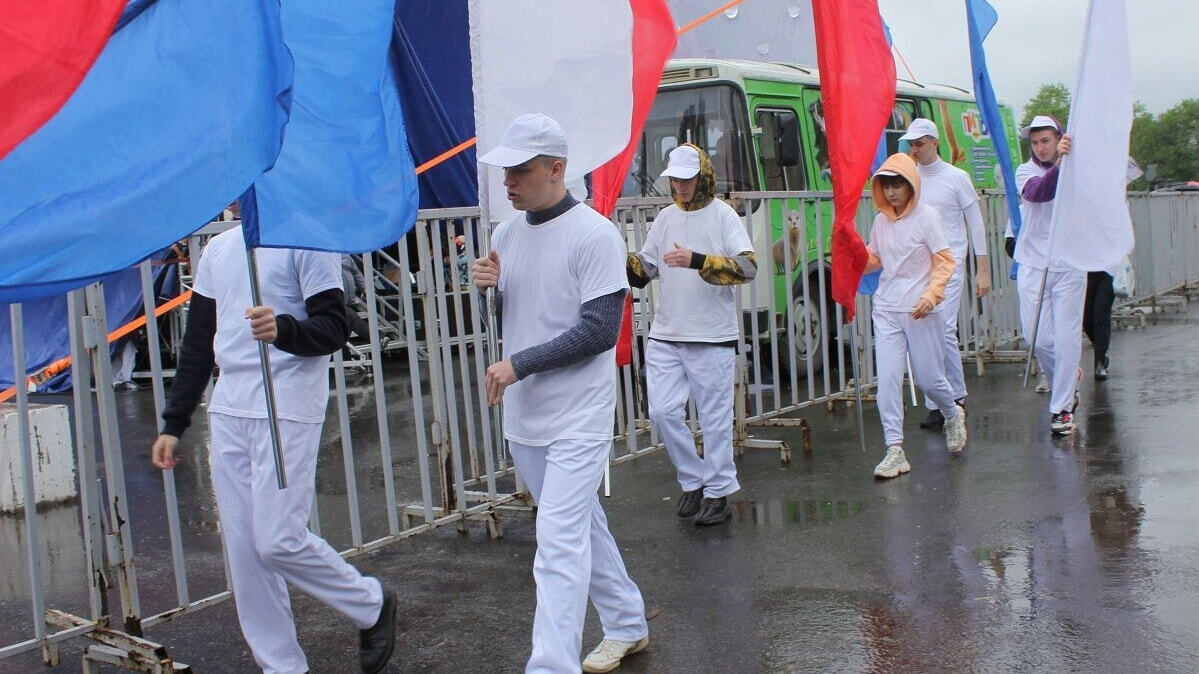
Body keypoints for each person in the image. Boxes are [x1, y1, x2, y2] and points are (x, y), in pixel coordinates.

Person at [150, 227, 396, 674]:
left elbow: (334, 329)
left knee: (277, 539)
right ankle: (281, 666)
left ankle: (371, 603)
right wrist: (175, 421)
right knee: (245, 553)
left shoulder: (310, 240)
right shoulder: (219, 249)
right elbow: (198, 342)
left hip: (286, 403)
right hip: (229, 408)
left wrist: (282, 329)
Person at [470, 113, 648, 674]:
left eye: (521, 171)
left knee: (558, 542)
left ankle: (550, 665)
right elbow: (516, 316)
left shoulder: (595, 234)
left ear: (558, 169)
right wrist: (486, 289)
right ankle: (626, 622)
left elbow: (599, 331)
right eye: (506, 171)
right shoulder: (506, 233)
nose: (509, 183)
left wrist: (519, 365)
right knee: (577, 526)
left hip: (578, 414)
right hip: (526, 414)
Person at [626, 143, 756, 525]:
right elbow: (645, 269)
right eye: (676, 180)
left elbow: (748, 268)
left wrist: (697, 260)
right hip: (666, 333)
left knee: (715, 420)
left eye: (687, 179)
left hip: (712, 335)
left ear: (703, 177)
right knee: (662, 412)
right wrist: (618, 256)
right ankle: (693, 479)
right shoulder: (665, 218)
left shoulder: (723, 216)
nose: (681, 186)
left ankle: (717, 492)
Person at [863, 153, 968, 479]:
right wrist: (849, 251)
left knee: (928, 379)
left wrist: (931, 296)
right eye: (887, 186)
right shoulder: (880, 221)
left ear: (912, 186)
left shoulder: (928, 217)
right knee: (888, 382)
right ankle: (894, 449)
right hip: (887, 310)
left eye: (898, 185)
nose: (892, 192)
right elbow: (874, 260)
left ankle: (952, 413)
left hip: (922, 311)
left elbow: (945, 262)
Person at [899, 119, 991, 430]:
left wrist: (982, 271)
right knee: (925, 330)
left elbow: (975, 224)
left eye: (920, 143)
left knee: (944, 328)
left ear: (935, 142)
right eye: (911, 144)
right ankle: (942, 400)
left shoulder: (957, 177)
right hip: (918, 267)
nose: (915, 149)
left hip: (949, 264)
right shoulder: (908, 178)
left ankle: (954, 397)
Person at [1010, 115, 1083, 435]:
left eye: (1046, 141)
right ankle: (1066, 380)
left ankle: (1063, 408)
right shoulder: (1025, 172)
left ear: (1059, 139)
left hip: (1070, 265)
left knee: (1067, 340)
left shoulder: (1078, 171)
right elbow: (1038, 193)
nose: (1040, 148)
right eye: (1035, 142)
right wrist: (1060, 166)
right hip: (1033, 264)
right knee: (1037, 338)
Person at [1083, 270, 1114, 380]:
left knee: (1101, 314)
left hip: (1106, 271)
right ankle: (1101, 348)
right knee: (1086, 319)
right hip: (1084, 273)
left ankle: (1100, 362)